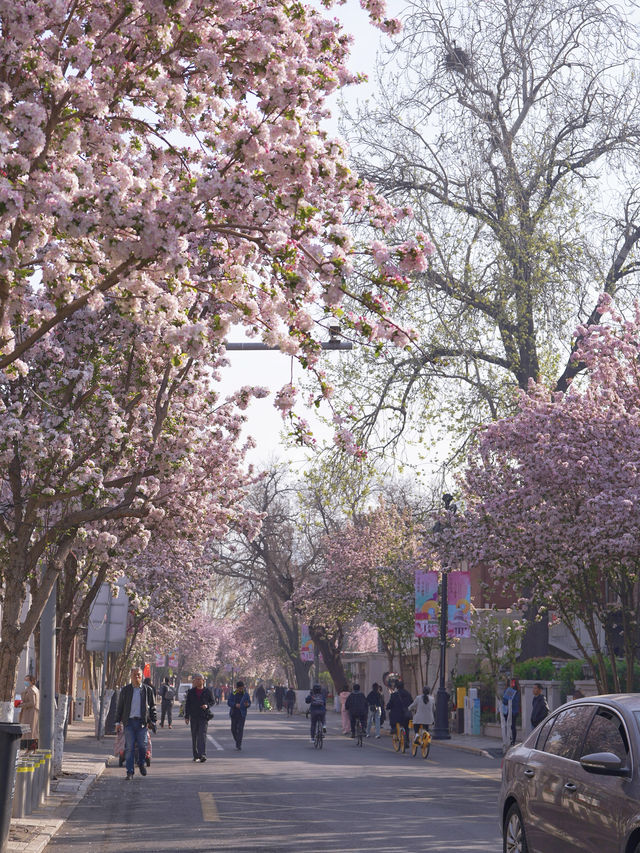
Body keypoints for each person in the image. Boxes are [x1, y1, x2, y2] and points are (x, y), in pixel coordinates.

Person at [115, 666, 157, 780]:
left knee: (143, 746)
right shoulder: (126, 690)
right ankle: (130, 772)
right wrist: (117, 722)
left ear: (142, 676)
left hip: (142, 723)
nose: (137, 676)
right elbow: (120, 707)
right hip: (129, 723)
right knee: (129, 748)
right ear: (131, 676)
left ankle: (141, 763)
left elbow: (153, 707)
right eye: (135, 675)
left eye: (139, 674)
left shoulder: (147, 690)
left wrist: (153, 720)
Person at [184, 673, 215, 762]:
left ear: (203, 681)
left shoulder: (208, 691)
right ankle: (196, 754)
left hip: (203, 716)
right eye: (196, 679)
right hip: (194, 716)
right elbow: (188, 705)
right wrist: (187, 716)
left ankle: (202, 754)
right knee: (195, 736)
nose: (197, 681)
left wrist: (207, 705)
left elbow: (212, 702)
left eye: (199, 679)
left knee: (202, 735)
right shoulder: (191, 692)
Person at [386, 678, 413, 743]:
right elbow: (412, 702)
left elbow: (390, 704)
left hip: (396, 716)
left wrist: (387, 707)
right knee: (406, 728)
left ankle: (394, 728)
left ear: (397, 687)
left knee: (391, 715)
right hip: (406, 714)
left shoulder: (394, 695)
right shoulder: (408, 694)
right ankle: (407, 741)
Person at [228, 680, 251, 750]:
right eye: (240, 688)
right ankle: (237, 740)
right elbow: (229, 702)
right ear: (237, 688)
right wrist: (235, 705)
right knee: (233, 729)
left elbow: (249, 702)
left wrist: (247, 704)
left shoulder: (246, 694)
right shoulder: (233, 693)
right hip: (234, 713)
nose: (241, 689)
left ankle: (238, 744)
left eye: (242, 688)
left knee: (240, 729)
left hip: (242, 714)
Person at [19, 674, 39, 751]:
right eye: (25, 680)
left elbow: (32, 703)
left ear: (32, 681)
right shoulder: (33, 689)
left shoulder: (31, 690)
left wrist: (22, 705)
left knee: (29, 732)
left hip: (30, 713)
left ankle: (30, 749)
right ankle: (32, 749)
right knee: (32, 731)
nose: (25, 682)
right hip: (31, 713)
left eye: (27, 680)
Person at [502, 677, 521, 746]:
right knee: (513, 726)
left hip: (509, 711)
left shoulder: (509, 690)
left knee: (509, 726)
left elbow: (505, 701)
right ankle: (513, 741)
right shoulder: (518, 691)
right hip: (515, 711)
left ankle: (510, 739)